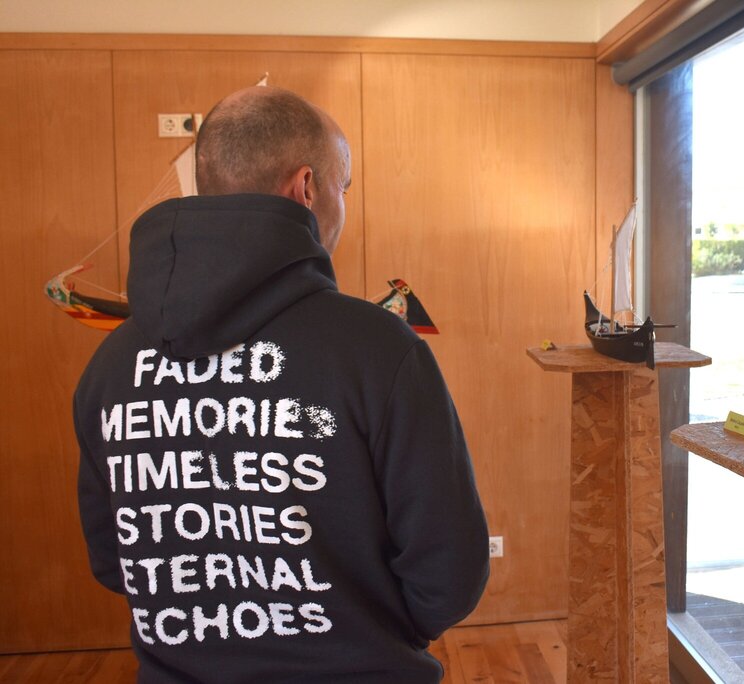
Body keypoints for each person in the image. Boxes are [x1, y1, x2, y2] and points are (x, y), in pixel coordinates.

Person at [74, 86, 490, 683]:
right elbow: (449, 571)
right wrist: (371, 633)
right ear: (307, 188)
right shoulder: (379, 349)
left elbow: (114, 559)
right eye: (344, 187)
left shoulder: (112, 364)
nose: (344, 204)